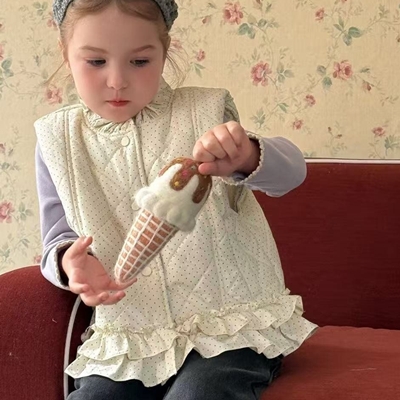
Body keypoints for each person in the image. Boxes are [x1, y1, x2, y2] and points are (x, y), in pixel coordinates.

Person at [35, 0, 317, 399]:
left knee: (199, 391)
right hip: (132, 338)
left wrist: (246, 156)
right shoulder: (57, 140)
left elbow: (293, 173)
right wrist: (70, 263)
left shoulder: (206, 111)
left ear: (164, 52)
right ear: (66, 55)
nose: (117, 81)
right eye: (96, 62)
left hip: (229, 329)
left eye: (139, 62)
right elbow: (57, 237)